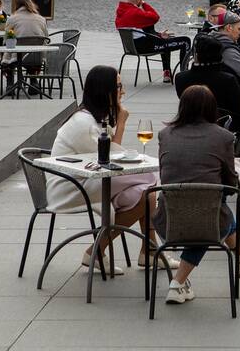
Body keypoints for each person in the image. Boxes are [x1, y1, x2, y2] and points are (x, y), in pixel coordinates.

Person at [46, 65, 174, 272]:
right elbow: (110, 160)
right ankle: (97, 250)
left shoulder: (95, 118)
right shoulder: (84, 123)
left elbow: (109, 158)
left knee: (146, 192)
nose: (123, 91)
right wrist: (122, 122)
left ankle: (149, 251)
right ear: (104, 90)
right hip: (70, 187)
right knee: (149, 181)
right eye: (119, 86)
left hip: (87, 178)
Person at [157, 85, 240, 305]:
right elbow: (229, 181)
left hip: (166, 219)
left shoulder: (164, 134)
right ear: (211, 108)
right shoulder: (223, 136)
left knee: (207, 203)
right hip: (205, 219)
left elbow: (165, 172)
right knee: (211, 207)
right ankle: (177, 283)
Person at [115, 0, 190, 83]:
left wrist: (158, 35)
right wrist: (144, 4)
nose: (142, 1)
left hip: (133, 47)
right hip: (145, 47)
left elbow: (140, 30)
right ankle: (185, 73)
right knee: (185, 41)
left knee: (165, 40)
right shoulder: (135, 12)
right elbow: (155, 17)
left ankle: (167, 73)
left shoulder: (121, 12)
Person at [173, 35, 240, 119]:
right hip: (221, 123)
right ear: (219, 56)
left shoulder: (180, 78)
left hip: (190, 121)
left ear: (196, 55)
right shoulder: (227, 79)